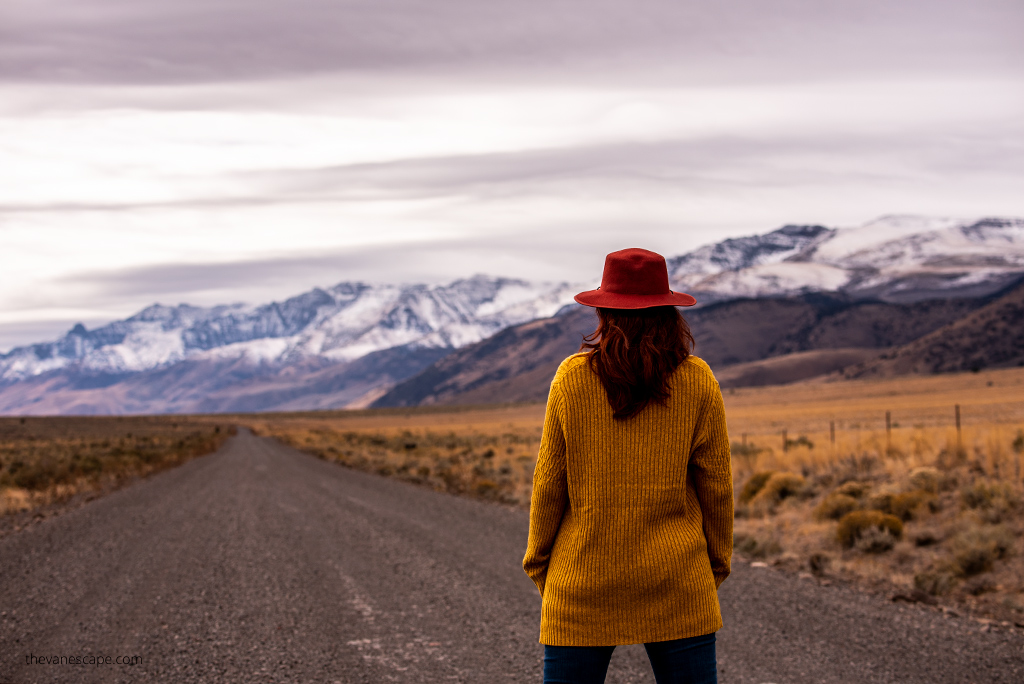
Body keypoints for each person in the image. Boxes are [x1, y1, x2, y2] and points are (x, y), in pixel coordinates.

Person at [523, 248, 733, 684]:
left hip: (581, 580)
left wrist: (540, 564)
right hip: (678, 580)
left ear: (603, 311)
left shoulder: (571, 378)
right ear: (669, 312)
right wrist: (713, 566)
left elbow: (549, 482)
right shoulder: (697, 380)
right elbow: (716, 485)